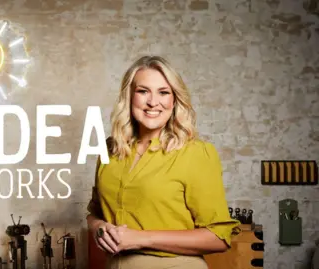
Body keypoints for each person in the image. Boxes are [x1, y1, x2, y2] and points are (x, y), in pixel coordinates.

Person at [86, 55, 241, 269]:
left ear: (175, 100)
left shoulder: (195, 153)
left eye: (163, 92)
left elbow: (218, 237)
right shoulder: (110, 150)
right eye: (143, 91)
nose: (152, 102)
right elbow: (94, 214)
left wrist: (140, 238)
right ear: (129, 96)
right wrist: (100, 229)